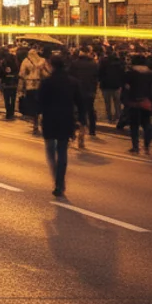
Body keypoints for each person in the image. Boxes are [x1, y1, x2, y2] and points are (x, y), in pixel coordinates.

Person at [38, 55, 82, 196]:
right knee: (62, 151)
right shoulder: (72, 82)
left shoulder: (46, 82)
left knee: (50, 151)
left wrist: (39, 114)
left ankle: (57, 179)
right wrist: (81, 121)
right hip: (66, 119)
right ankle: (60, 181)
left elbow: (39, 101)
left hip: (50, 119)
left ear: (51, 65)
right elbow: (80, 103)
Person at [121, 54, 152, 155]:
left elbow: (126, 87)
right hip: (146, 102)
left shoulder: (130, 73)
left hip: (134, 102)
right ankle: (146, 146)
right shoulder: (151, 73)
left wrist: (125, 100)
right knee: (146, 124)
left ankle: (135, 147)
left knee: (134, 125)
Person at [67, 46, 99, 145]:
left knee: (73, 112)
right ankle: (88, 132)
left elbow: (70, 77)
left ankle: (71, 133)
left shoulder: (74, 63)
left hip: (76, 91)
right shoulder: (94, 64)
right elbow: (97, 78)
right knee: (88, 111)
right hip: (89, 91)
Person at [19, 49, 50, 135]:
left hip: (30, 87)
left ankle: (35, 125)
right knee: (41, 106)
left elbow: (21, 75)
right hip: (40, 86)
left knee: (33, 107)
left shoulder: (25, 61)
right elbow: (47, 74)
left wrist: (20, 89)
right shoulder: (42, 61)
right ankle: (43, 122)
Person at [98, 48, 126, 123]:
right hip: (116, 85)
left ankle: (109, 117)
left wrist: (100, 80)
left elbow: (100, 73)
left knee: (107, 103)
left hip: (105, 85)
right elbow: (122, 74)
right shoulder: (120, 62)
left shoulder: (103, 62)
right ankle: (117, 116)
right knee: (117, 102)